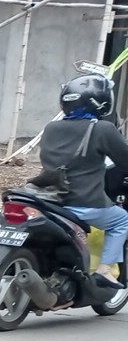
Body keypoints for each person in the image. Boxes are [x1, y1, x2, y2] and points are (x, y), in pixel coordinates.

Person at [38, 73, 128, 282]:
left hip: (50, 201)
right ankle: (104, 270)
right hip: (84, 204)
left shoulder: (51, 127)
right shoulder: (102, 129)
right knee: (122, 220)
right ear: (101, 102)